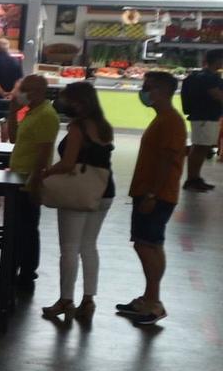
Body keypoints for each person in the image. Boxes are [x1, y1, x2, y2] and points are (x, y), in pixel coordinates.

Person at [41, 82, 116, 325]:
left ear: (79, 102)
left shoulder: (77, 128)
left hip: (78, 191)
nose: (63, 104)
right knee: (89, 246)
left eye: (66, 100)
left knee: (70, 247)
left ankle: (65, 300)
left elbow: (68, 164)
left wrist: (44, 174)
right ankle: (88, 300)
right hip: (104, 190)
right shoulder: (105, 128)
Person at [118, 72, 188, 327]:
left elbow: (167, 161)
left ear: (161, 90)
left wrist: (152, 194)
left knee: (146, 245)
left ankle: (154, 302)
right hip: (151, 191)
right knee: (149, 244)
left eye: (148, 87)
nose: (144, 91)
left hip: (157, 194)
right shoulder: (163, 119)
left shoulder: (171, 121)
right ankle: (148, 298)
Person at [8, 74, 59, 288]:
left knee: (27, 227)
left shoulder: (46, 115)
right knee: (18, 226)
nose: (19, 94)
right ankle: (14, 269)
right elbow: (13, 138)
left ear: (37, 92)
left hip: (29, 178)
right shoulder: (31, 112)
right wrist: (12, 113)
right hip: (17, 175)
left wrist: (35, 183)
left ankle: (27, 273)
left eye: (23, 90)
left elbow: (43, 153)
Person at [182, 49, 223, 192]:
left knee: (201, 148)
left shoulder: (204, 75)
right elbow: (217, 95)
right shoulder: (209, 77)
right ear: (217, 60)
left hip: (205, 117)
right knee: (199, 147)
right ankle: (192, 180)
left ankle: (195, 178)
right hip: (205, 117)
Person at [0, 39, 24, 143]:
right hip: (10, 100)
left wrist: (2, 93)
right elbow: (19, 80)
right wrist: (11, 94)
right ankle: (3, 145)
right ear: (8, 49)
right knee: (6, 122)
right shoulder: (16, 61)